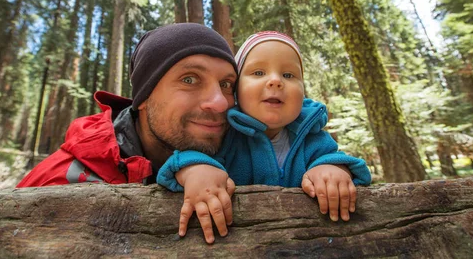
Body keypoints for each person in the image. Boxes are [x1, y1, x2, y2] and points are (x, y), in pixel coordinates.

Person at [158, 31, 371, 243]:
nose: (275, 81)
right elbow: (184, 159)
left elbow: (345, 164)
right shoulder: (226, 134)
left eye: (289, 75)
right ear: (236, 91)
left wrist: (333, 170)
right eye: (259, 73)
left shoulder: (312, 137)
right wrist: (197, 171)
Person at [17, 23, 239, 188]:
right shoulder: (59, 181)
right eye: (189, 79)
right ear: (143, 98)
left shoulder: (246, 158)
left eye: (226, 84)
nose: (220, 103)